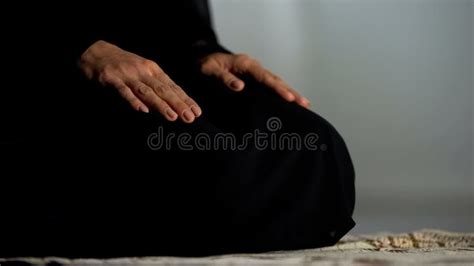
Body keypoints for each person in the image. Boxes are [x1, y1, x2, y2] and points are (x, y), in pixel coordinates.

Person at [1, 0, 355, 257]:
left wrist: (206, 52)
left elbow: (181, 20)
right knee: (209, 165)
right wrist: (83, 49)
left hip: (158, 71)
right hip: (45, 78)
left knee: (311, 144)